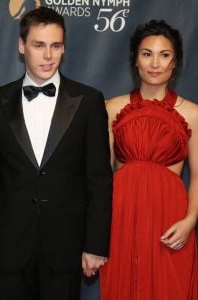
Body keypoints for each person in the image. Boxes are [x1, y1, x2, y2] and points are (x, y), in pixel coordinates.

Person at [0, 6, 112, 300]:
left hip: (65, 247)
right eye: (38, 45)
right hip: (10, 246)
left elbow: (99, 180)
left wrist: (95, 245)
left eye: (55, 46)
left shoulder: (89, 101)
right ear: (21, 46)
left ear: (64, 47)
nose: (48, 55)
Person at [100, 20, 198, 299]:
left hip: (170, 223)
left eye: (164, 55)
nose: (155, 63)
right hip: (121, 219)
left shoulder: (193, 114)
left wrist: (191, 220)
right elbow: (100, 176)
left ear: (175, 62)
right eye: (147, 54)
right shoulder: (110, 108)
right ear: (135, 61)